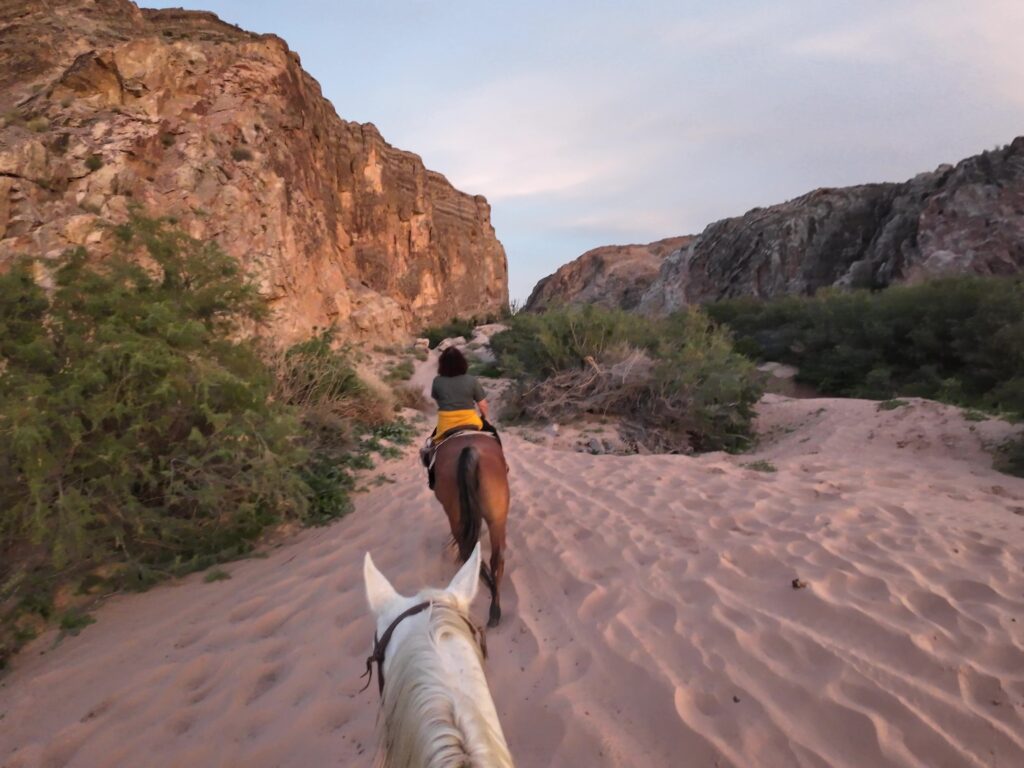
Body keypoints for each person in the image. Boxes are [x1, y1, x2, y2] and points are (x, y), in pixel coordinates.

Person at [421, 346, 499, 487]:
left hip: (446, 424)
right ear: (463, 363)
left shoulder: (437, 381)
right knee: (494, 434)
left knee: (430, 446)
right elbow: (483, 404)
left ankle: (432, 478)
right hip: (471, 420)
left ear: (442, 364)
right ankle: (502, 465)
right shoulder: (471, 380)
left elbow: (438, 400)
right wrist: (485, 418)